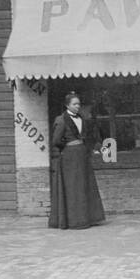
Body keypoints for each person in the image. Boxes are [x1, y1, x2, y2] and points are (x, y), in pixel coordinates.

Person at [48, 92, 105, 230]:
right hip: (69, 158)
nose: (77, 106)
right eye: (74, 104)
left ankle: (87, 219)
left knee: (84, 187)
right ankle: (73, 221)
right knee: (72, 188)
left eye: (79, 104)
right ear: (67, 105)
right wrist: (68, 148)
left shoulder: (82, 119)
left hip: (82, 157)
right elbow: (55, 141)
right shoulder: (61, 120)